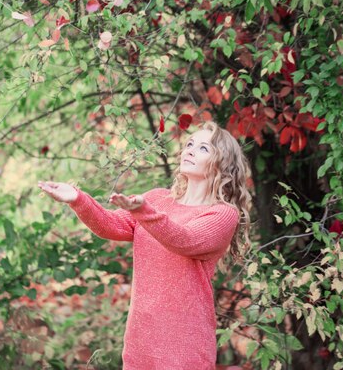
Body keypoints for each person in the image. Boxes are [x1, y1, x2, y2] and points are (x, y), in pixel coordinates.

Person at [37, 120, 253, 370]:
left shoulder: (222, 214)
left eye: (203, 148)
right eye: (190, 144)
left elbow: (184, 239)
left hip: (184, 349)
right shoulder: (157, 199)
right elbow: (110, 225)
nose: (190, 150)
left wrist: (143, 211)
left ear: (222, 164)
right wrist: (77, 198)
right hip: (139, 343)